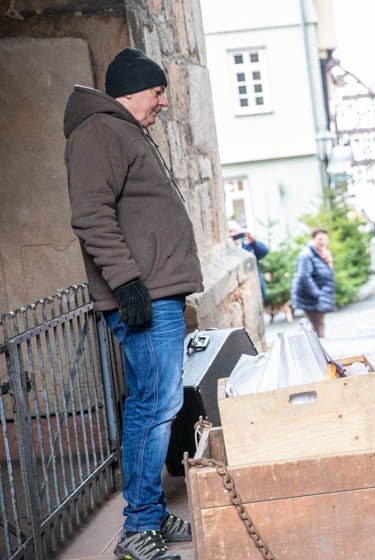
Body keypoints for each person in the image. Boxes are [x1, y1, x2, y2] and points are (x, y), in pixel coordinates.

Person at [63, 48, 201, 560]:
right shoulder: (100, 131)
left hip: (158, 289)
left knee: (157, 401)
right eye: (158, 91)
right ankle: (137, 528)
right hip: (143, 294)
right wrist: (127, 283)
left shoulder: (121, 130)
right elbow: (91, 215)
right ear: (130, 91)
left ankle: (151, 513)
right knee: (153, 404)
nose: (163, 101)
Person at [291, 228, 335, 337]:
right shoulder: (307, 255)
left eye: (325, 239)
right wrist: (317, 294)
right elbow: (303, 277)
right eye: (320, 239)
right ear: (312, 239)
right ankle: (319, 352)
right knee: (318, 327)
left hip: (319, 297)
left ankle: (318, 351)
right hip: (311, 299)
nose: (323, 242)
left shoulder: (323, 254)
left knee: (317, 326)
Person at [228, 221, 270, 302]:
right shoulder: (228, 252)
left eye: (235, 231)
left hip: (256, 287)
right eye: (230, 231)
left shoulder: (249, 247)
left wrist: (253, 241)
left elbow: (264, 251)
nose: (233, 234)